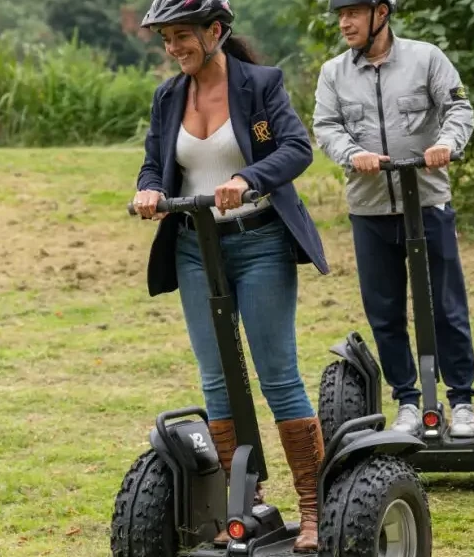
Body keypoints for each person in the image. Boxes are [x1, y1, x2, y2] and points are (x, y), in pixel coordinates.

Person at [130, 0, 328, 550]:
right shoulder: (169, 96)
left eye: (182, 36)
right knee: (216, 378)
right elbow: (155, 161)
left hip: (258, 240)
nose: (173, 49)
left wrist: (248, 177)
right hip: (196, 246)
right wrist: (150, 188)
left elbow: (296, 148)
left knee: (277, 374)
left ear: (215, 31)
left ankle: (314, 512)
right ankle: (249, 502)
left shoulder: (261, 84)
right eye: (166, 39)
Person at [311, 0, 474, 438]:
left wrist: (446, 142)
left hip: (427, 202)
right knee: (384, 311)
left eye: (353, 13)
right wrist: (353, 154)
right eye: (340, 15)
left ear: (380, 13)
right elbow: (326, 126)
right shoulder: (334, 73)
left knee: (447, 306)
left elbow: (459, 109)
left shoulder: (426, 58)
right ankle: (407, 398)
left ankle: (461, 400)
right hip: (369, 210)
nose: (344, 23)